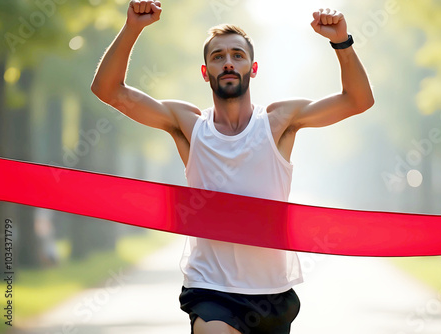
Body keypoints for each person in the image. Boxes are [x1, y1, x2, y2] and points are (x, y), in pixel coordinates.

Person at [90, 1, 374, 333]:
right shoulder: (189, 125)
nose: (228, 62)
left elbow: (358, 100)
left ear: (253, 68)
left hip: (271, 294)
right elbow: (107, 90)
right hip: (210, 289)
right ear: (205, 71)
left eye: (237, 55)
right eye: (218, 57)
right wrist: (132, 28)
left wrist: (341, 42)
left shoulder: (278, 122)